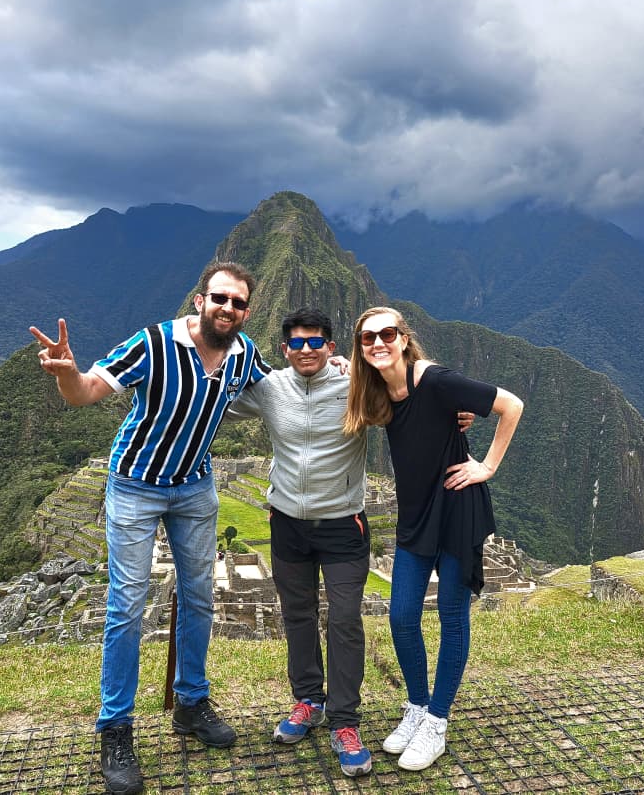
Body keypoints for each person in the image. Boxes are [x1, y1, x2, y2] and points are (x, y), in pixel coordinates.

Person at [30, 261, 270, 795]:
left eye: (237, 303)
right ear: (200, 301)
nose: (227, 308)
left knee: (200, 597)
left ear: (246, 312)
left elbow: (284, 387)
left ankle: (191, 703)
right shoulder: (154, 343)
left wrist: (339, 367)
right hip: (136, 485)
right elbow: (86, 391)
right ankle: (116, 728)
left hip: (195, 487)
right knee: (127, 605)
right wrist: (67, 371)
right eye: (219, 298)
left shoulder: (244, 354)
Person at [342, 306, 524, 772]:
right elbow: (350, 375)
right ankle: (417, 707)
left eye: (387, 334)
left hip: (457, 510)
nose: (378, 343)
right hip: (416, 515)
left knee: (450, 616)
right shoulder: (375, 387)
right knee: (402, 616)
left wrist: (487, 467)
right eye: (367, 338)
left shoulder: (437, 381)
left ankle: (437, 721)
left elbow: (511, 405)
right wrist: (340, 364)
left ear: (404, 339)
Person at [224, 307, 374, 777]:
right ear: (284, 349)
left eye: (315, 342)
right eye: (296, 342)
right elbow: (209, 401)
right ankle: (309, 700)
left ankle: (345, 721)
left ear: (331, 346)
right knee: (298, 614)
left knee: (345, 618)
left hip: (343, 523)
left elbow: (409, 398)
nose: (305, 350)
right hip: (287, 522)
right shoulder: (270, 388)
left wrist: (459, 414)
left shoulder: (357, 385)